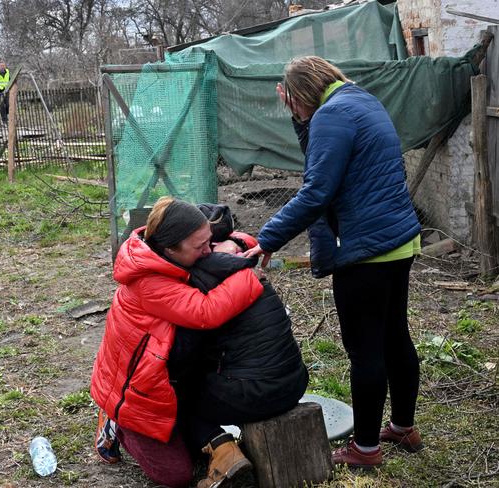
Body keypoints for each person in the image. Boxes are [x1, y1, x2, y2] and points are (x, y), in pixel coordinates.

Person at [243, 56, 423, 468]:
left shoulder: (331, 116)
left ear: (301, 94)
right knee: (395, 336)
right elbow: (321, 158)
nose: (293, 112)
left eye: (291, 104)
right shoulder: (360, 101)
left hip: (366, 250)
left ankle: (364, 450)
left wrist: (268, 237)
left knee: (365, 351)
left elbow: (316, 190)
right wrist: (300, 117)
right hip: (399, 240)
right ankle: (402, 427)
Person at [91, 197, 264, 488]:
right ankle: (116, 421)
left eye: (209, 241)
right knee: (176, 475)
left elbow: (239, 239)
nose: (208, 251)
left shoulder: (173, 246)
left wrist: (237, 246)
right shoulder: (148, 281)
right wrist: (247, 275)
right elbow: (205, 312)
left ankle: (188, 425)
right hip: (138, 394)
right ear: (171, 249)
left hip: (171, 375)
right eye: (200, 248)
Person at [171, 204, 309, 488]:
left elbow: (185, 354)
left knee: (171, 393)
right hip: (294, 382)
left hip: (256, 394)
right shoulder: (240, 263)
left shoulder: (196, 280)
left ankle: (221, 448)